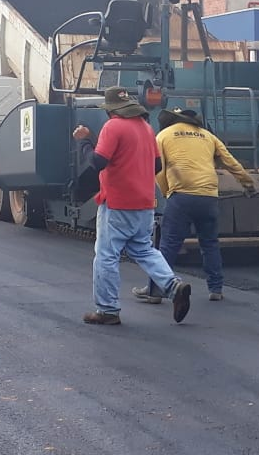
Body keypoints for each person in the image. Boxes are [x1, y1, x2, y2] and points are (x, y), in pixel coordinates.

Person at [72, 88, 192, 325]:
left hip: (117, 202)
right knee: (144, 249)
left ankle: (107, 310)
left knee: (106, 256)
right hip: (144, 203)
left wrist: (84, 141)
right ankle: (172, 285)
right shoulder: (146, 128)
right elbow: (156, 166)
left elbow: (98, 161)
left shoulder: (113, 126)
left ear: (111, 110)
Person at [133, 107, 255, 304]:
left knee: (169, 244)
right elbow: (230, 162)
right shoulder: (208, 136)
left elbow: (159, 170)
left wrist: (167, 192)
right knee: (210, 243)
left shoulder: (164, 135)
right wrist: (248, 184)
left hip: (181, 196)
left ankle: (156, 291)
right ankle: (215, 289)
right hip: (208, 198)